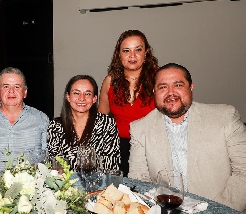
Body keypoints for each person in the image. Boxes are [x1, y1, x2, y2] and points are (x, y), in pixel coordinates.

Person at [128, 63, 246, 212]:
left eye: (178, 85)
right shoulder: (140, 129)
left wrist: (217, 210)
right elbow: (139, 181)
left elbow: (244, 171)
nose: (171, 93)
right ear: (154, 92)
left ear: (191, 87)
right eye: (163, 87)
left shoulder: (225, 117)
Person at [98, 29, 158, 176]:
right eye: (126, 51)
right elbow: (101, 119)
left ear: (146, 53)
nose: (132, 55)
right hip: (119, 148)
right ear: (119, 55)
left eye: (138, 49)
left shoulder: (159, 78)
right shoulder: (110, 81)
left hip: (152, 146)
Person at [48, 75, 121, 171]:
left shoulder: (107, 124)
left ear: (94, 99)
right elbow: (55, 166)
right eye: (76, 93)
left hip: (98, 184)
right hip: (66, 184)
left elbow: (111, 166)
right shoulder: (55, 126)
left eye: (87, 94)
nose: (82, 98)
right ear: (68, 97)